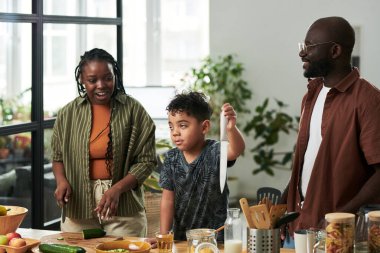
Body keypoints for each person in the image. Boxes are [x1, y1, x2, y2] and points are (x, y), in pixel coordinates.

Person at [282, 16, 380, 244]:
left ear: (335, 51)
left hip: (341, 235)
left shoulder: (368, 100)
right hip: (301, 227)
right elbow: (310, 158)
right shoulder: (311, 95)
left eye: (309, 47)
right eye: (302, 46)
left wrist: (341, 216)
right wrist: (286, 199)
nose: (302, 53)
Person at [51, 48, 157, 237]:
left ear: (115, 76)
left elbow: (146, 161)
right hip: (78, 202)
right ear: (82, 80)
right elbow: (58, 156)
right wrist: (61, 181)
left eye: (107, 78)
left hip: (123, 204)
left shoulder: (133, 111)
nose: (101, 85)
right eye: (92, 80)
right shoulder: (68, 114)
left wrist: (117, 189)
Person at [159, 91, 245, 241]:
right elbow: (167, 201)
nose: (175, 133)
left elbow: (236, 150)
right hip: (182, 238)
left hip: (216, 238)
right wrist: (164, 235)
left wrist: (231, 129)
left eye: (183, 126)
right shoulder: (171, 158)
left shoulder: (215, 151)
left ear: (204, 127)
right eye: (171, 127)